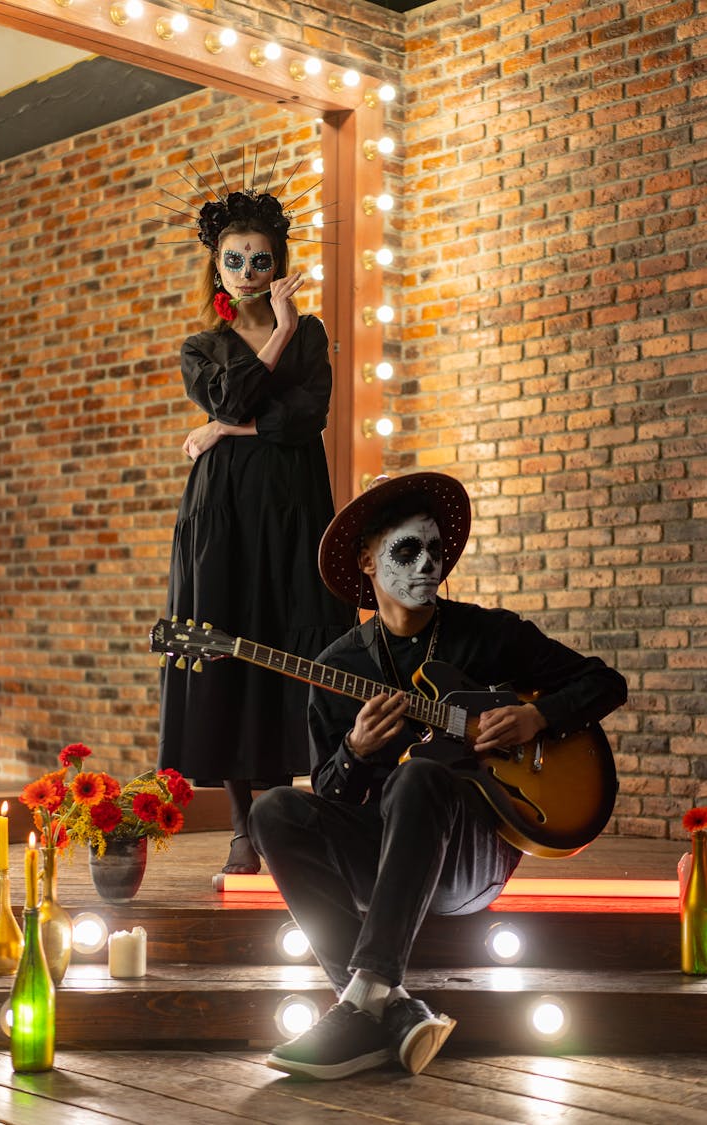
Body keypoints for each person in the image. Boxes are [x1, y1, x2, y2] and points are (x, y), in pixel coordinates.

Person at [248, 471, 628, 1079]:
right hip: (381, 861)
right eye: (407, 550)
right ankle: (385, 1006)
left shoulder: (488, 634)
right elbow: (328, 792)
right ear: (368, 562)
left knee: (419, 776)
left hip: (470, 861)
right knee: (272, 809)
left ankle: (359, 1005)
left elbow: (605, 682)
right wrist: (354, 751)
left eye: (435, 550)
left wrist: (537, 716)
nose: (427, 563)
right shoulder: (335, 668)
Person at [158, 174, 351, 875]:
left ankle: (292, 815)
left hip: (296, 506)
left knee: (302, 647)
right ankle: (244, 826)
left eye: (259, 260)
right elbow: (237, 390)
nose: (246, 273)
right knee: (227, 643)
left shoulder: (313, 335)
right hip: (224, 515)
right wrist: (270, 353)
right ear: (217, 265)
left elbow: (306, 418)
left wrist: (221, 430)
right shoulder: (201, 345)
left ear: (279, 262)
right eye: (233, 261)